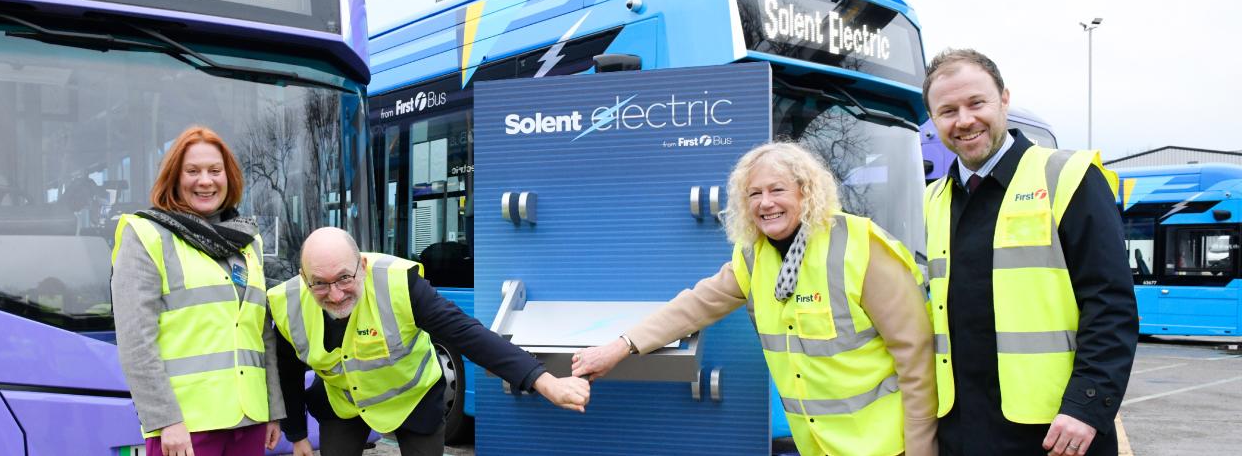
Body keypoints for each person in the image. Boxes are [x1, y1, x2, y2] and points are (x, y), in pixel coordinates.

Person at [572, 142, 937, 456]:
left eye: (777, 190)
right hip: (818, 445)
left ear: (806, 192)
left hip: (887, 445)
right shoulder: (753, 257)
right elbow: (694, 306)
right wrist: (621, 347)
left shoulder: (860, 246)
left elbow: (917, 358)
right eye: (754, 194)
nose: (765, 203)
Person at [921, 49, 1137, 456]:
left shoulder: (1068, 177)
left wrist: (1087, 406)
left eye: (976, 103)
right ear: (934, 120)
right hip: (962, 429)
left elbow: (1110, 304)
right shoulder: (933, 199)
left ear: (1004, 99)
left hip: (1056, 431)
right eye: (947, 110)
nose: (964, 120)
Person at [270, 227, 591, 456]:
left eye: (344, 278)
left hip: (414, 398)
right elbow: (287, 373)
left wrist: (542, 380)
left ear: (362, 266)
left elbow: (466, 333)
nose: (336, 294)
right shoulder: (287, 304)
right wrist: (297, 434)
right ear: (303, 277)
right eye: (320, 284)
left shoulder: (399, 285)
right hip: (345, 404)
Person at [112, 126, 283, 456]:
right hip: (186, 427)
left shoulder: (248, 243)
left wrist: (273, 410)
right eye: (193, 171)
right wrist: (166, 421)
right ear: (174, 178)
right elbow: (137, 342)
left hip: (249, 419)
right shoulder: (146, 234)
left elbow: (263, 334)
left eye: (215, 171)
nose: (205, 181)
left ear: (228, 177)